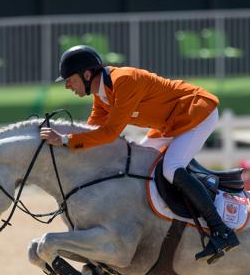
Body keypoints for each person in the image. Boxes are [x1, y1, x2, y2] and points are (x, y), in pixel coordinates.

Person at [40, 45, 239, 263]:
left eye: (70, 79)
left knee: (171, 168)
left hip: (196, 112)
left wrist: (66, 140)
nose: (68, 85)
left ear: (87, 74)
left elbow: (109, 133)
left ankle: (221, 231)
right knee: (138, 162)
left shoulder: (124, 81)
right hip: (169, 124)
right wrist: (62, 145)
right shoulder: (101, 95)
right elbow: (91, 132)